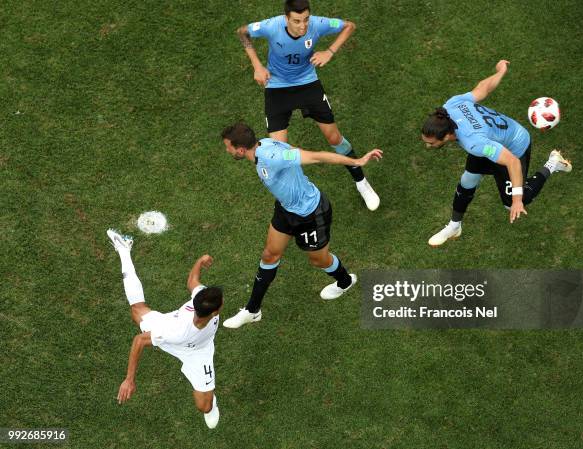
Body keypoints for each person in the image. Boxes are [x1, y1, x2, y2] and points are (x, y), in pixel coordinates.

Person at [220, 122, 383, 328]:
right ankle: (253, 310)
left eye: (228, 147)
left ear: (240, 149)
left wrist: (356, 161)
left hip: (311, 214)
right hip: (286, 210)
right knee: (270, 255)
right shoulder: (263, 148)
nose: (227, 150)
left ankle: (345, 281)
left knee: (319, 261)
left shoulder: (273, 157)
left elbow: (316, 156)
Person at [236, 0, 380, 211]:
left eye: (305, 20)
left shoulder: (318, 24)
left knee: (334, 138)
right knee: (279, 153)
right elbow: (242, 32)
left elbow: (349, 26)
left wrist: (329, 52)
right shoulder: (271, 26)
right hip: (277, 87)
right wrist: (257, 65)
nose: (302, 26)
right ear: (286, 18)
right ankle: (300, 199)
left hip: (307, 84)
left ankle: (361, 182)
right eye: (296, 21)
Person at [421, 60, 572, 247]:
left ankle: (552, 163)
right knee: (468, 180)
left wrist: (517, 200)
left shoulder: (473, 142)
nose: (428, 146)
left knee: (514, 202)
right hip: (492, 142)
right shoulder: (450, 106)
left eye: (431, 143)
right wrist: (501, 71)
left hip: (515, 146)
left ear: (447, 135)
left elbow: (512, 162)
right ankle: (454, 225)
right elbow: (482, 88)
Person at [107, 229, 222, 429]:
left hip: (200, 352)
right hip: (174, 334)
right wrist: (129, 380)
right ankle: (124, 250)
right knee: (137, 311)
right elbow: (139, 340)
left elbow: (192, 281)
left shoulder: (202, 297)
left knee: (204, 406)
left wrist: (199, 262)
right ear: (215, 312)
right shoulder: (176, 331)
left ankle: (211, 403)